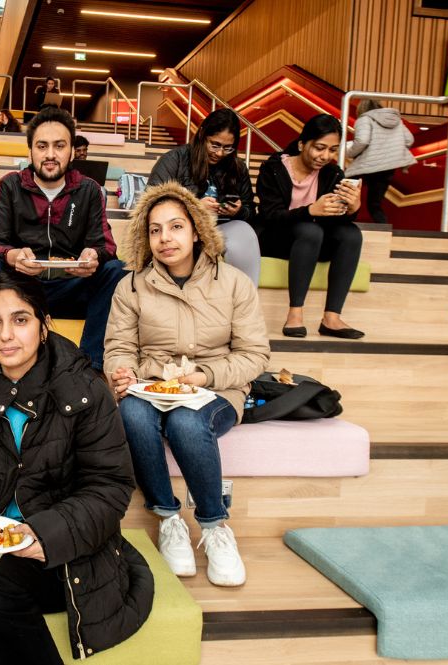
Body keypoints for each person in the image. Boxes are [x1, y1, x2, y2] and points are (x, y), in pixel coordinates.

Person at [0, 270, 153, 665]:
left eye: (20, 320)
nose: (6, 335)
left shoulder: (86, 390)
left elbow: (110, 487)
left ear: (43, 326)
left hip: (66, 545)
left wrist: (47, 533)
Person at [104, 182, 270, 587]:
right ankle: (168, 519)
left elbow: (255, 355)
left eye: (176, 227)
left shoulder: (233, 283)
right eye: (156, 229)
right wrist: (123, 373)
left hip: (218, 388)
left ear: (196, 231)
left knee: (186, 421)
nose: (166, 238)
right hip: (152, 387)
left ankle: (214, 528)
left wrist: (204, 377)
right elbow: (118, 347)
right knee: (130, 414)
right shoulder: (131, 285)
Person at [0, 105, 126, 373]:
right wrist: (13, 257)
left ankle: (90, 368)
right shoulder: (10, 185)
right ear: (30, 152)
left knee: (115, 271)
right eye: (42, 146)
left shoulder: (89, 190)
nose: (50, 155)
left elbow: (106, 246)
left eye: (59, 146)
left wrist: (93, 257)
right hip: (22, 287)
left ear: (72, 150)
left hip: (71, 286)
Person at [256, 113, 364, 339]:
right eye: (319, 148)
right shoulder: (274, 168)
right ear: (302, 144)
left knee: (351, 234)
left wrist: (352, 207)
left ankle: (331, 318)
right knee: (310, 229)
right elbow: (270, 216)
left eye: (333, 150)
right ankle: (295, 313)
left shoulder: (333, 173)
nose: (325, 156)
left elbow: (336, 220)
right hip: (276, 239)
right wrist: (310, 210)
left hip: (313, 242)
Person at [148, 109, 261, 285]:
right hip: (181, 228)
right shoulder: (175, 159)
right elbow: (153, 200)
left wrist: (238, 211)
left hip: (222, 227)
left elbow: (250, 211)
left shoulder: (237, 168)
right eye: (214, 145)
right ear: (202, 134)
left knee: (244, 232)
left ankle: (245, 300)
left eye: (227, 148)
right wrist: (194, 207)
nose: (220, 153)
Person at [345, 99, 415, 224]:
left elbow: (362, 141)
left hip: (367, 165)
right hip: (388, 168)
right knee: (374, 203)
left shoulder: (364, 119)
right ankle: (383, 231)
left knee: (346, 195)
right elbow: (409, 140)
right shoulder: (397, 120)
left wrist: (349, 153)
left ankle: (343, 225)